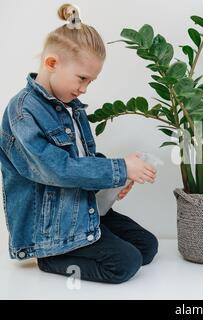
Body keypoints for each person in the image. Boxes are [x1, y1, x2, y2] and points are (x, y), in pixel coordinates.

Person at [0, 4, 158, 284]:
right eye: (82, 78)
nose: (84, 88)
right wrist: (119, 168)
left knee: (147, 247)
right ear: (52, 64)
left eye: (91, 81)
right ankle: (51, 257)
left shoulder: (71, 106)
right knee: (125, 264)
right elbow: (57, 169)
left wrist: (115, 181)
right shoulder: (22, 112)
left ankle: (86, 233)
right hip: (52, 227)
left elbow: (86, 158)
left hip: (79, 208)